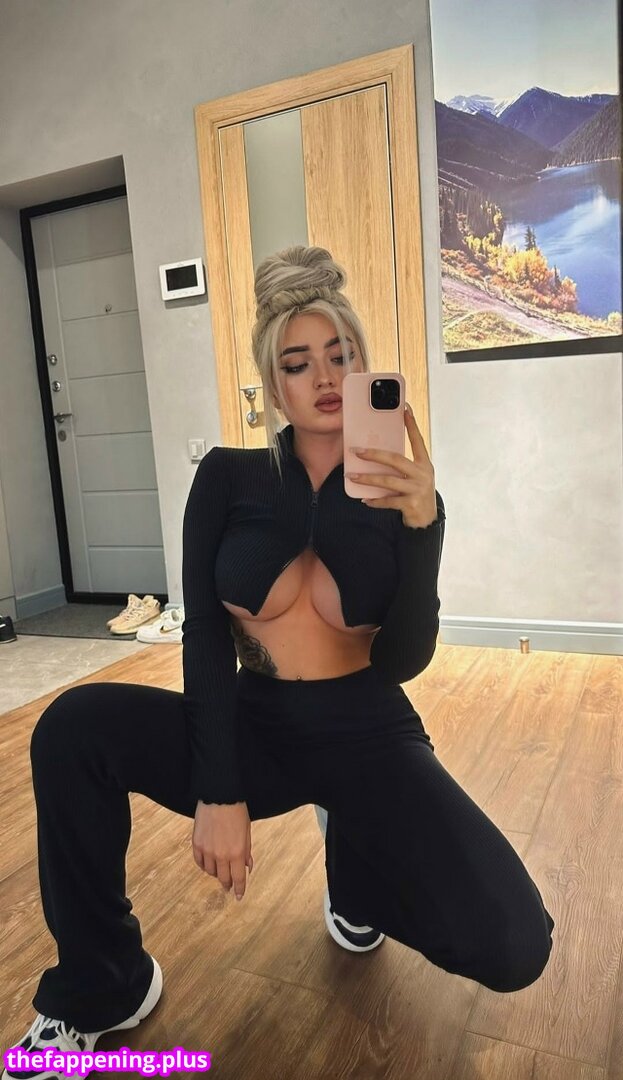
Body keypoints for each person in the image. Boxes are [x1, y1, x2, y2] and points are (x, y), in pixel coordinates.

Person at [3, 245, 555, 1079]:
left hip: (367, 726)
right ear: (273, 384)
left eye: (341, 356)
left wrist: (424, 526)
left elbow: (403, 659)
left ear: (366, 368)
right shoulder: (228, 479)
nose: (324, 378)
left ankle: (357, 882)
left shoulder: (397, 492)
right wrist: (217, 789)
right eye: (298, 364)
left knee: (515, 944)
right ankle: (104, 985)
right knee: (74, 726)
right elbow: (201, 634)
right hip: (255, 722)